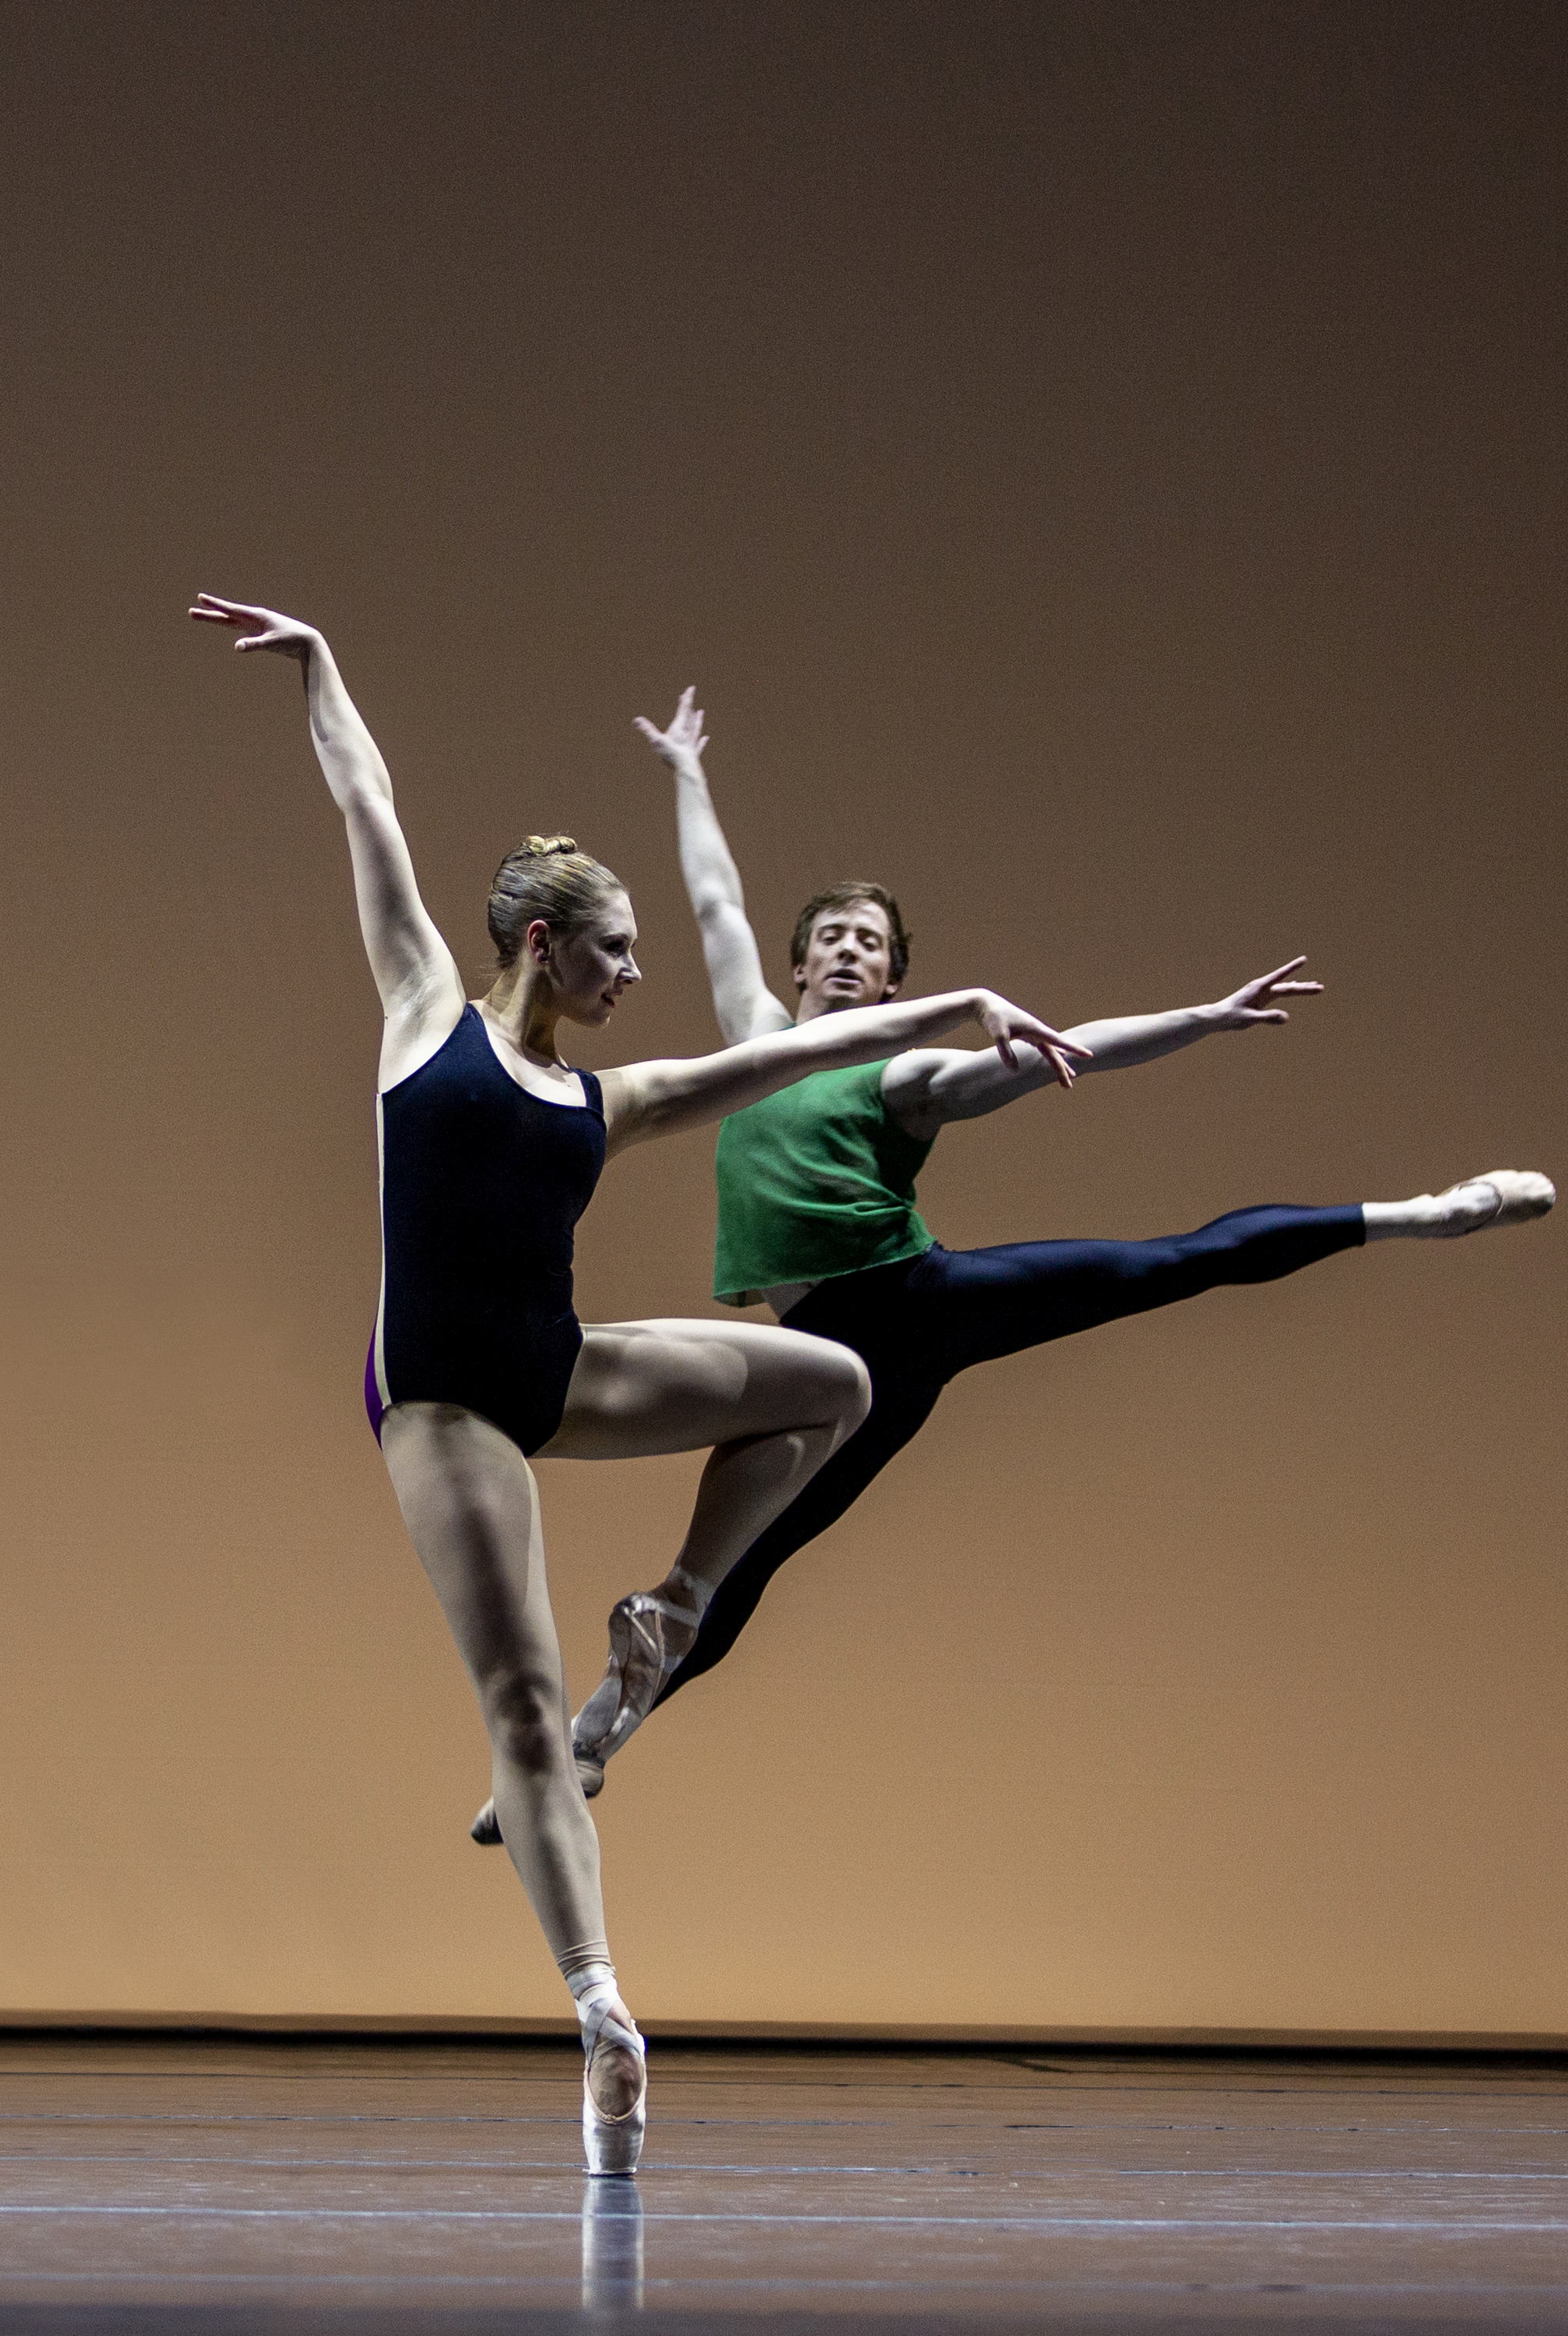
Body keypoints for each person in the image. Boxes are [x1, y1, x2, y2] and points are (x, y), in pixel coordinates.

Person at [188, 602, 1084, 2174]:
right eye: (616, 947)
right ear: (543, 939)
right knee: (526, 1712)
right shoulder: (421, 1021)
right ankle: (603, 2015)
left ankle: (669, 1605)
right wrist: (322, 661)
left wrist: (954, 1009)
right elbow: (367, 803)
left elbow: (777, 1061)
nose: (637, 968)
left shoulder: (613, 1095)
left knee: (833, 1383)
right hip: (449, 1404)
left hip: (557, 1368)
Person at [519, 688, 1555, 1813]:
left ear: (894, 981)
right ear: (803, 962)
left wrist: (1199, 1019)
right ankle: (588, 1750)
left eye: (873, 944)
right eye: (834, 938)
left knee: (1167, 1263)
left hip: (919, 1303)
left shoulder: (900, 1076)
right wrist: (685, 769)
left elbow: (1065, 1054)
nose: (851, 952)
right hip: (833, 1361)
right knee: (745, 1563)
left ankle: (1426, 1212)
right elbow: (715, 899)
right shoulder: (756, 1041)